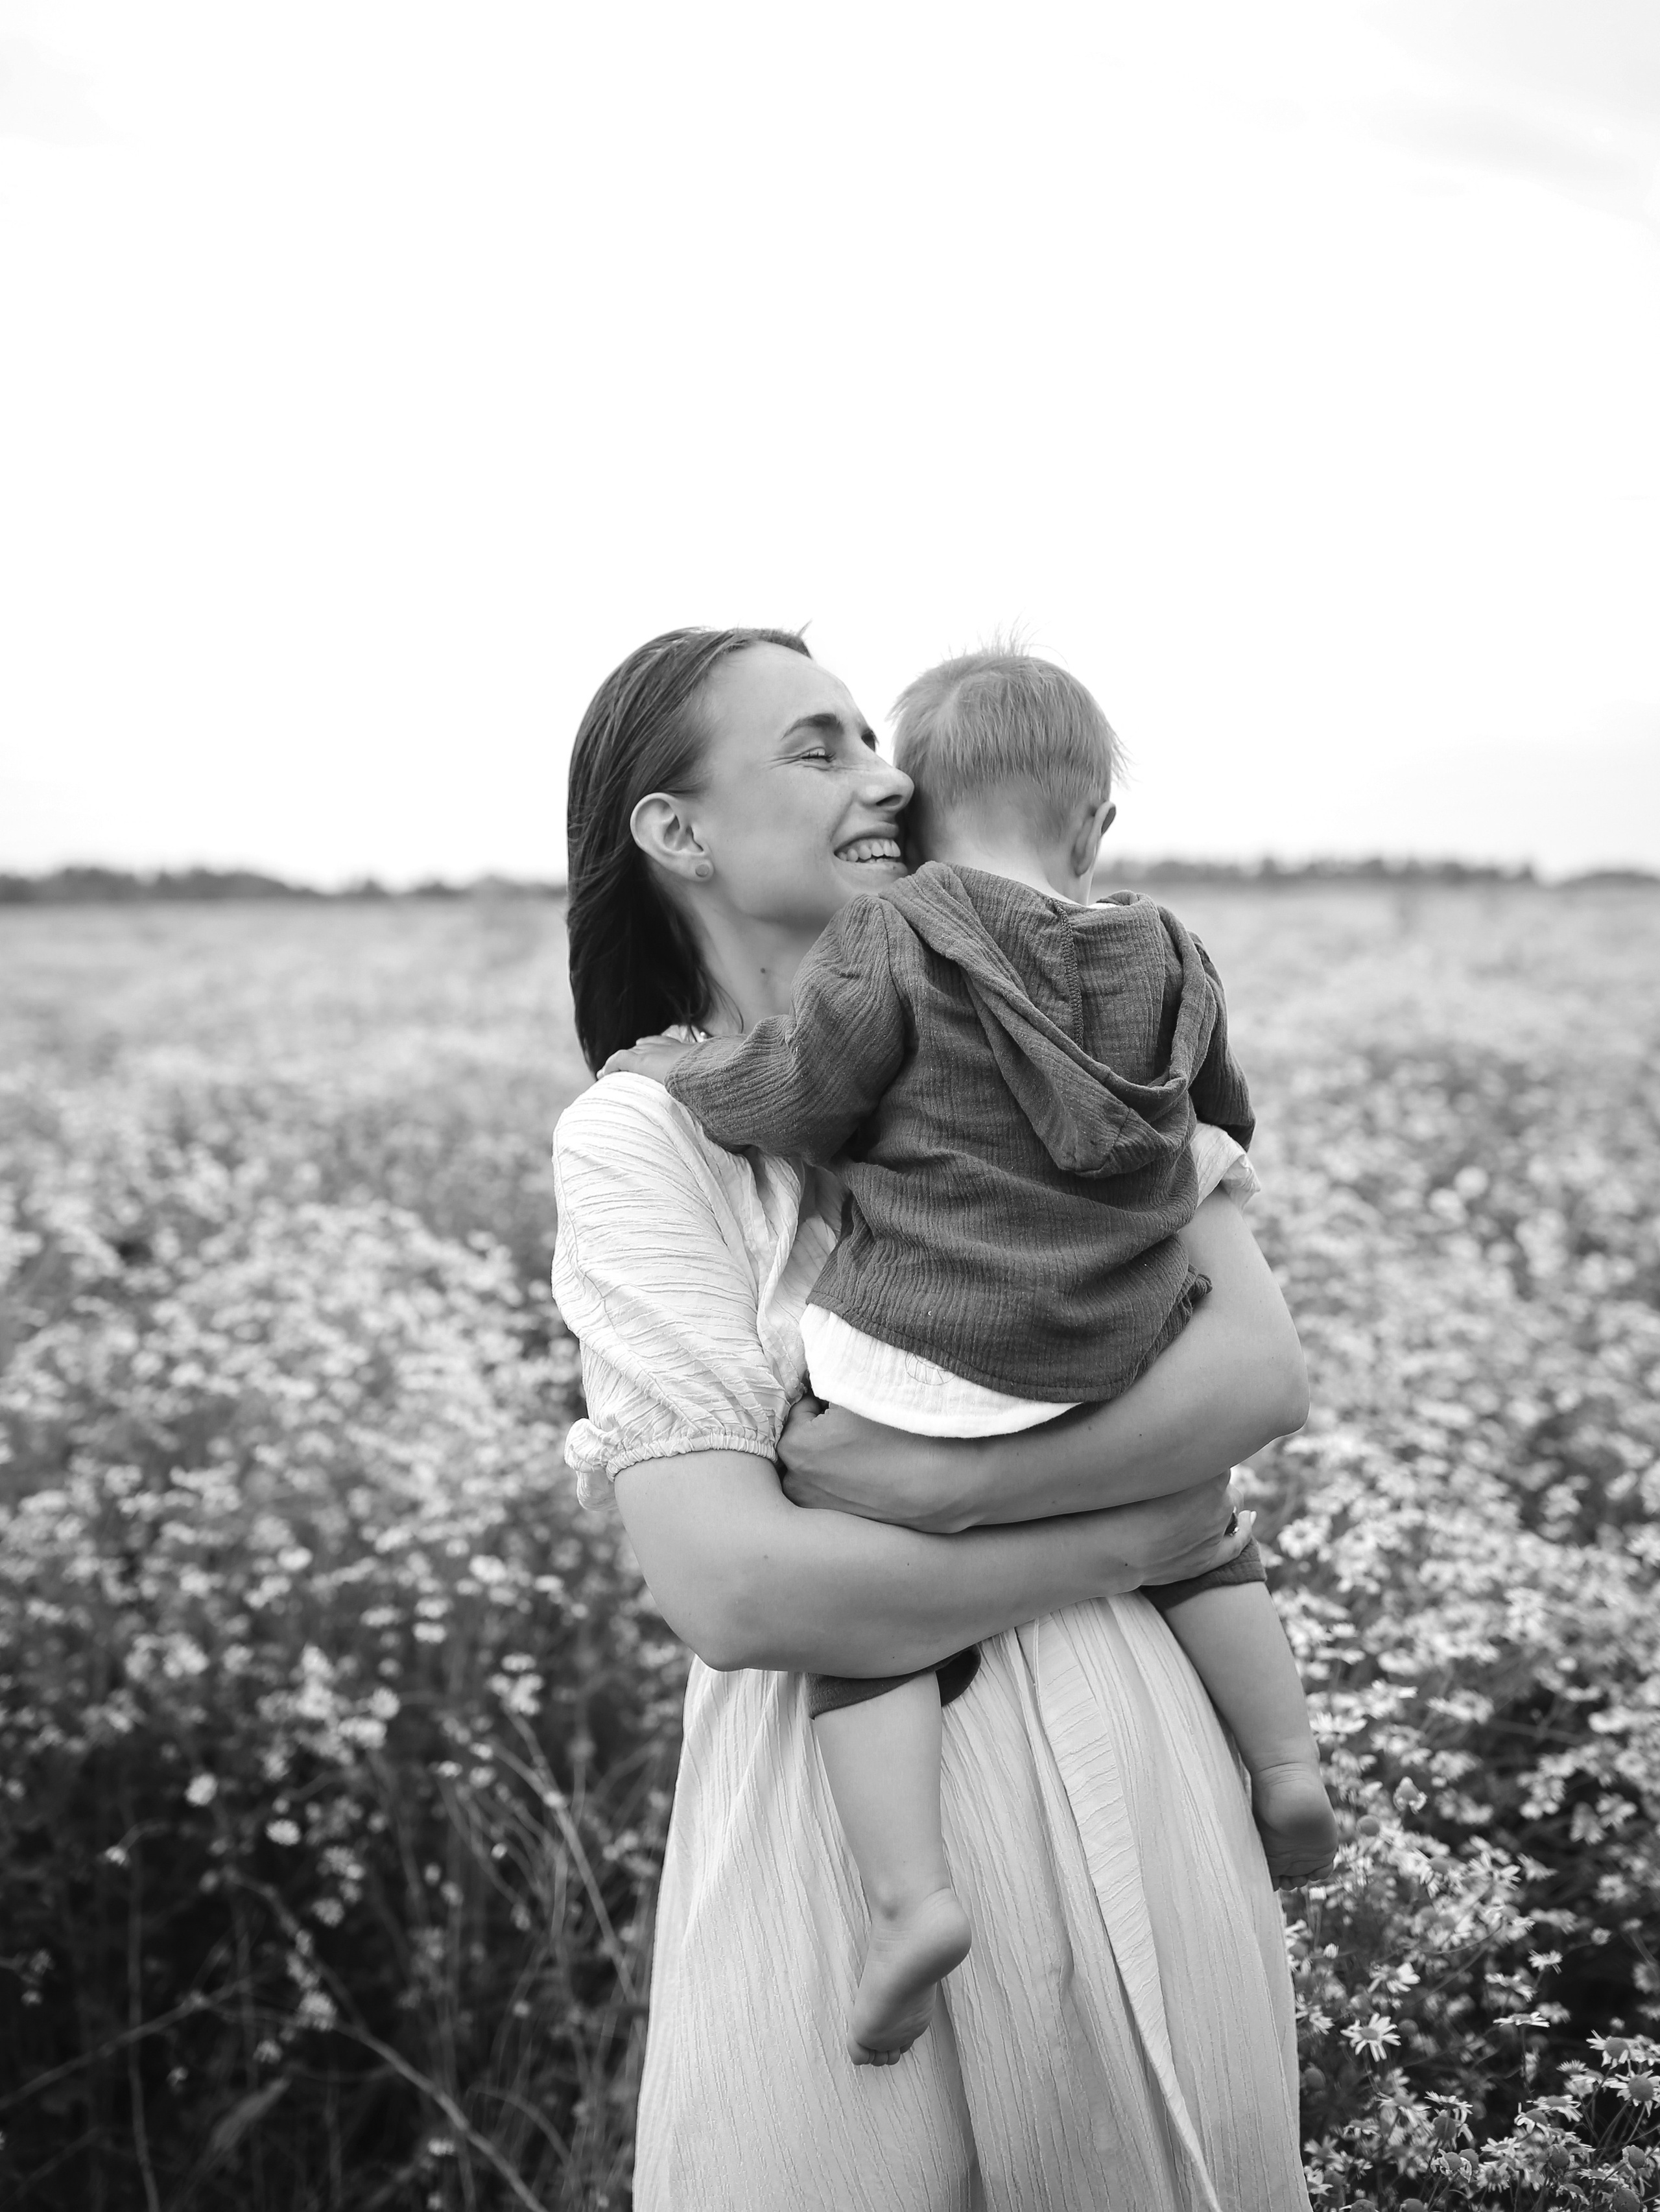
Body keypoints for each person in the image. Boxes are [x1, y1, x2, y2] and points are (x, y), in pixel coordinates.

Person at [551, 625, 1316, 2210]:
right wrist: (1131, 1527)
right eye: (819, 748)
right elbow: (735, 1587)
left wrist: (937, 1491)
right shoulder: (645, 1135)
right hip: (850, 1834)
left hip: (1136, 1744)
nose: (889, 777)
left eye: (876, 743)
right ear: (676, 833)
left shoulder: (1054, 1015)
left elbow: (1256, 1378)